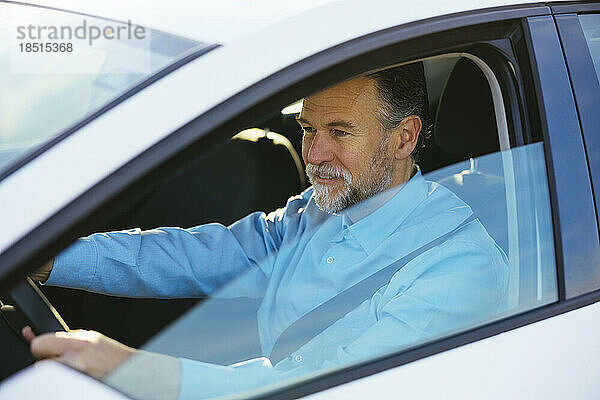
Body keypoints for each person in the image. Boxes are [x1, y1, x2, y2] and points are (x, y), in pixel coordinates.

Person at [26, 63, 509, 400]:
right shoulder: (316, 212)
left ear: (403, 138)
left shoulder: (458, 267)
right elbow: (203, 256)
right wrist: (55, 258)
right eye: (307, 129)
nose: (313, 155)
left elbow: (327, 388)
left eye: (339, 133)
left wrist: (132, 372)